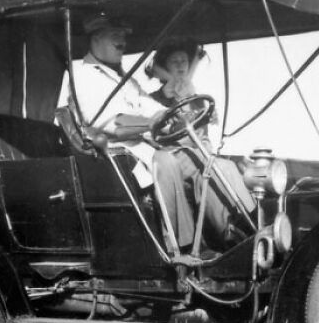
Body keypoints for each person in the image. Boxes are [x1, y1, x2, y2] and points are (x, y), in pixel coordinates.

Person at [57, 16, 252, 254]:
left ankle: (241, 239)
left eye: (124, 35)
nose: (123, 40)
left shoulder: (123, 79)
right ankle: (186, 250)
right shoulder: (83, 75)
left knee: (212, 164)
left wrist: (176, 118)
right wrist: (153, 123)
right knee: (166, 161)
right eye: (115, 34)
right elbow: (108, 122)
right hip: (119, 156)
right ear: (96, 37)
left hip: (149, 149)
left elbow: (151, 107)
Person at [147, 37, 256, 246]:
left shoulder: (197, 99)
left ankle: (240, 227)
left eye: (184, 61)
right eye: (174, 62)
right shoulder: (154, 101)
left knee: (229, 167)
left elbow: (205, 134)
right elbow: (157, 133)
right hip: (173, 155)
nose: (180, 65)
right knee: (222, 167)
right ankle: (240, 230)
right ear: (165, 67)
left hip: (200, 155)